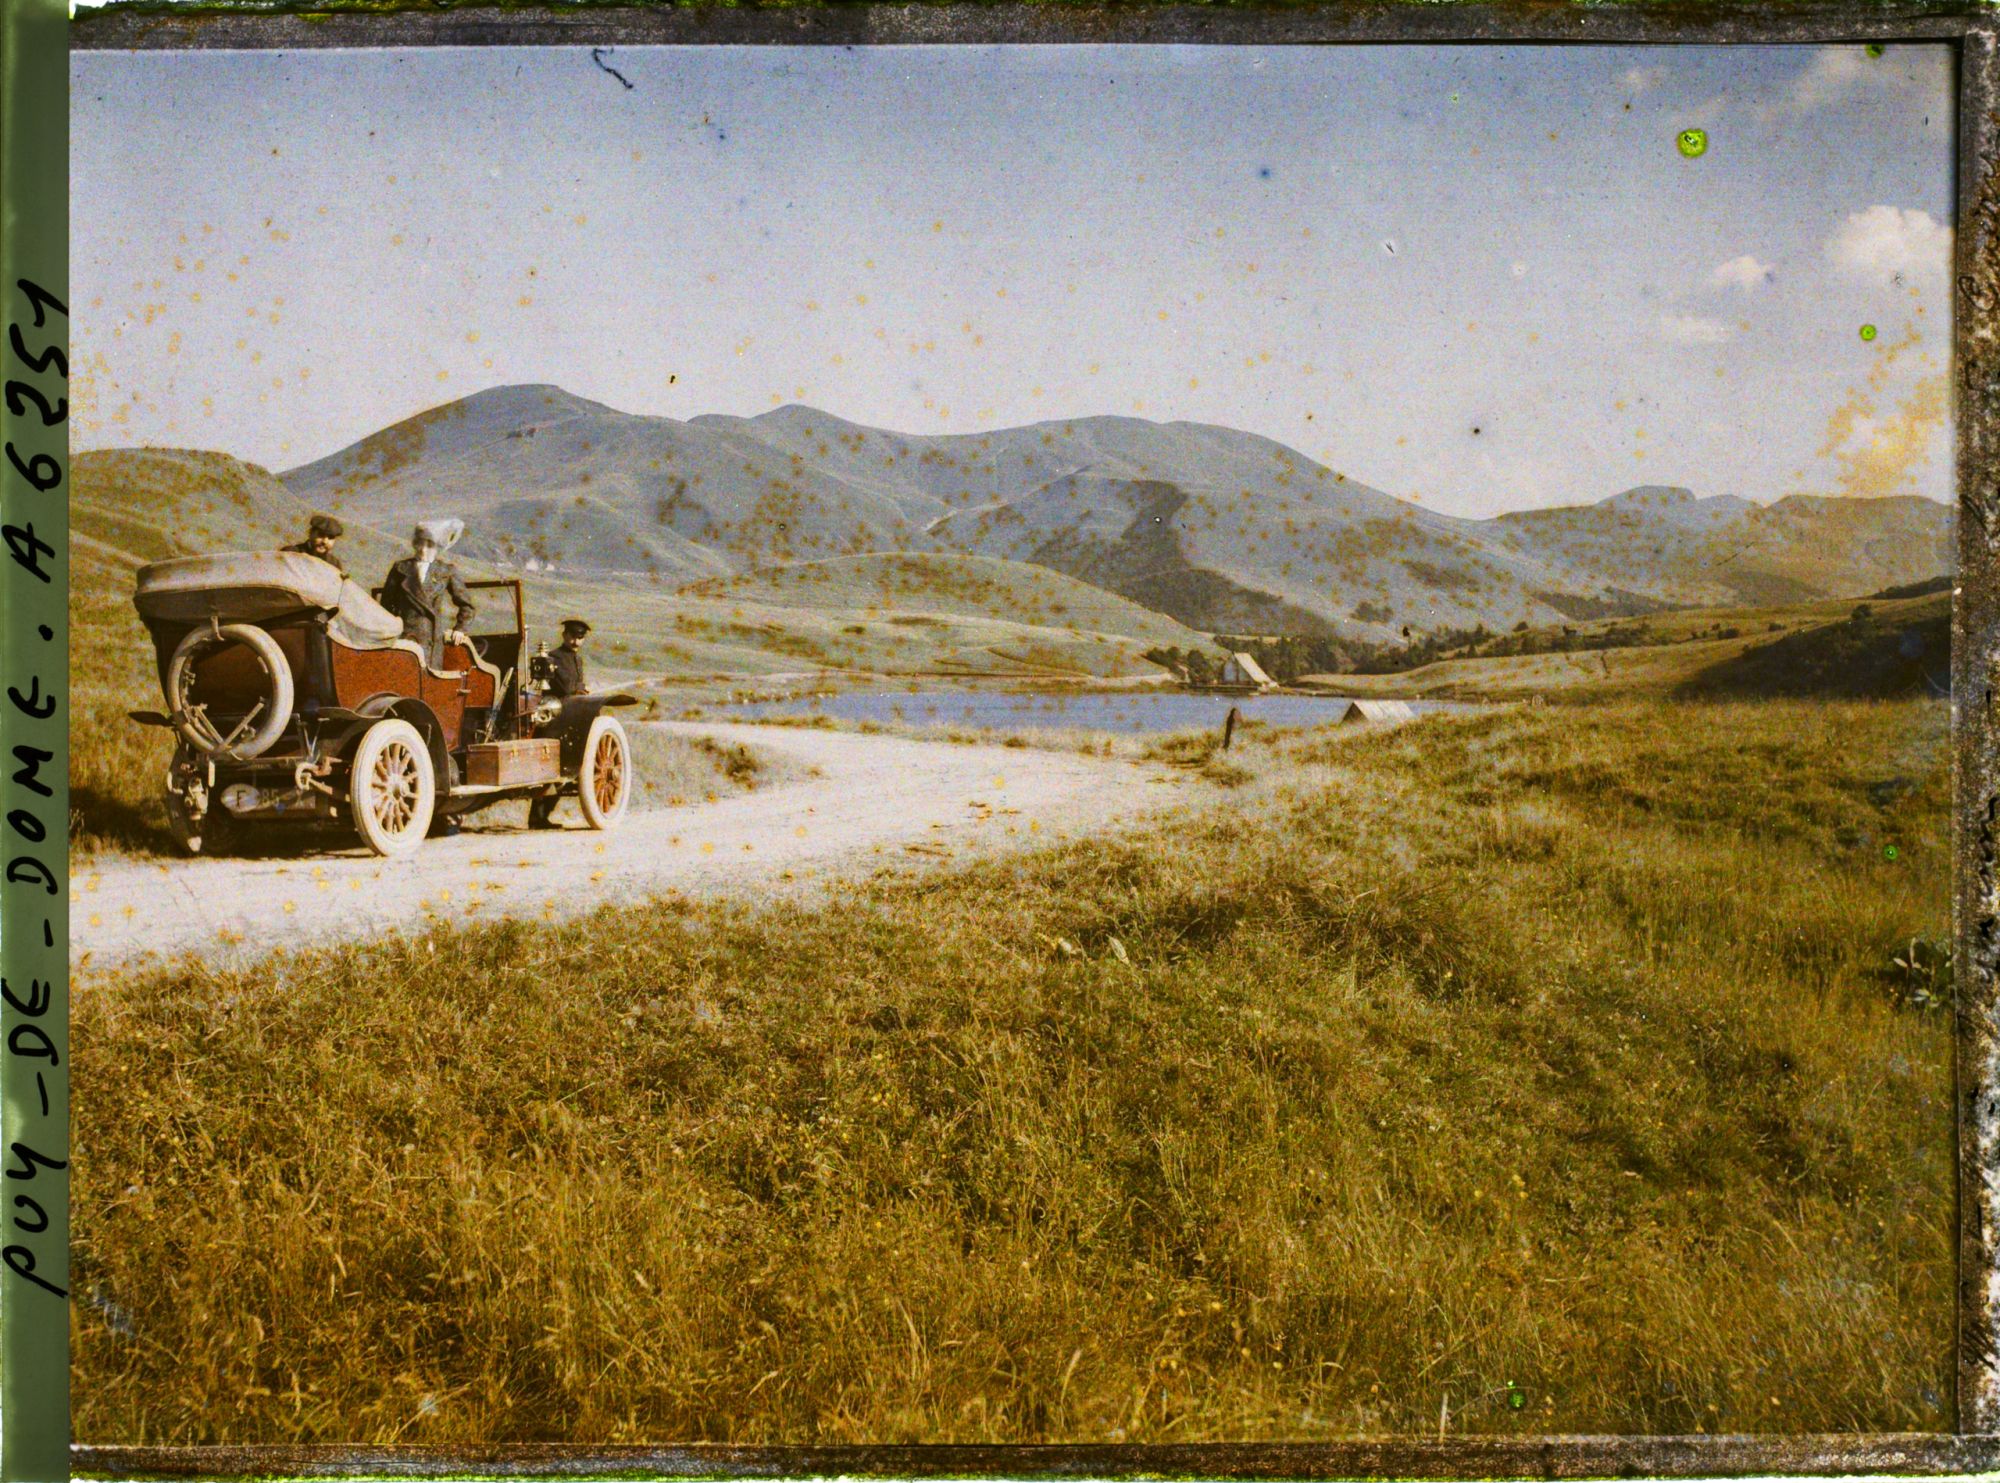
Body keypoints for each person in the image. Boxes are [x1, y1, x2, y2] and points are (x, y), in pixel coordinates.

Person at [379, 519, 476, 671]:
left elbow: (467, 606)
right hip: (404, 639)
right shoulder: (401, 569)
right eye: (420, 543)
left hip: (431, 640)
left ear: (438, 547)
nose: (423, 550)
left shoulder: (446, 571)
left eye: (430, 545)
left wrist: (460, 629)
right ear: (414, 543)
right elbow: (385, 606)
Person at [528, 619, 592, 830]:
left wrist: (580, 689)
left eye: (580, 637)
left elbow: (577, 683)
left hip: (571, 714)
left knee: (560, 774)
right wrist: (578, 689)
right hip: (555, 715)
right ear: (564, 635)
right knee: (552, 767)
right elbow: (565, 686)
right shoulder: (554, 657)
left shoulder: (577, 659)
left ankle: (541, 817)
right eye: (573, 636)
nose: (576, 641)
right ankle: (537, 817)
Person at [282, 514, 346, 575]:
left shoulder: (334, 564)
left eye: (330, 538)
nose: (325, 542)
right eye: (321, 535)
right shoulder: (291, 553)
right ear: (310, 533)